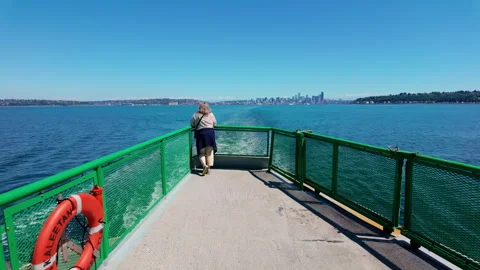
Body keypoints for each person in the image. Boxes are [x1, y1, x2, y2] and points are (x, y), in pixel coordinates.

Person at [191, 102, 217, 176]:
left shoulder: (196, 115)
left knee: (201, 152)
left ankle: (204, 165)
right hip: (210, 134)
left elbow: (192, 124)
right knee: (209, 152)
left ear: (199, 107)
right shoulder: (211, 114)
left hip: (200, 134)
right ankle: (208, 168)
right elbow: (215, 123)